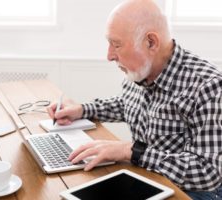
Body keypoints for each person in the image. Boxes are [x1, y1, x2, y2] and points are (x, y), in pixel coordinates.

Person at [47, 0, 222, 199]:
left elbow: (208, 172)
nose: (109, 55)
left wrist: (132, 152)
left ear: (151, 42)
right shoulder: (140, 70)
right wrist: (83, 110)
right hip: (148, 178)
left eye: (117, 44)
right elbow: (127, 104)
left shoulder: (208, 86)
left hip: (193, 191)